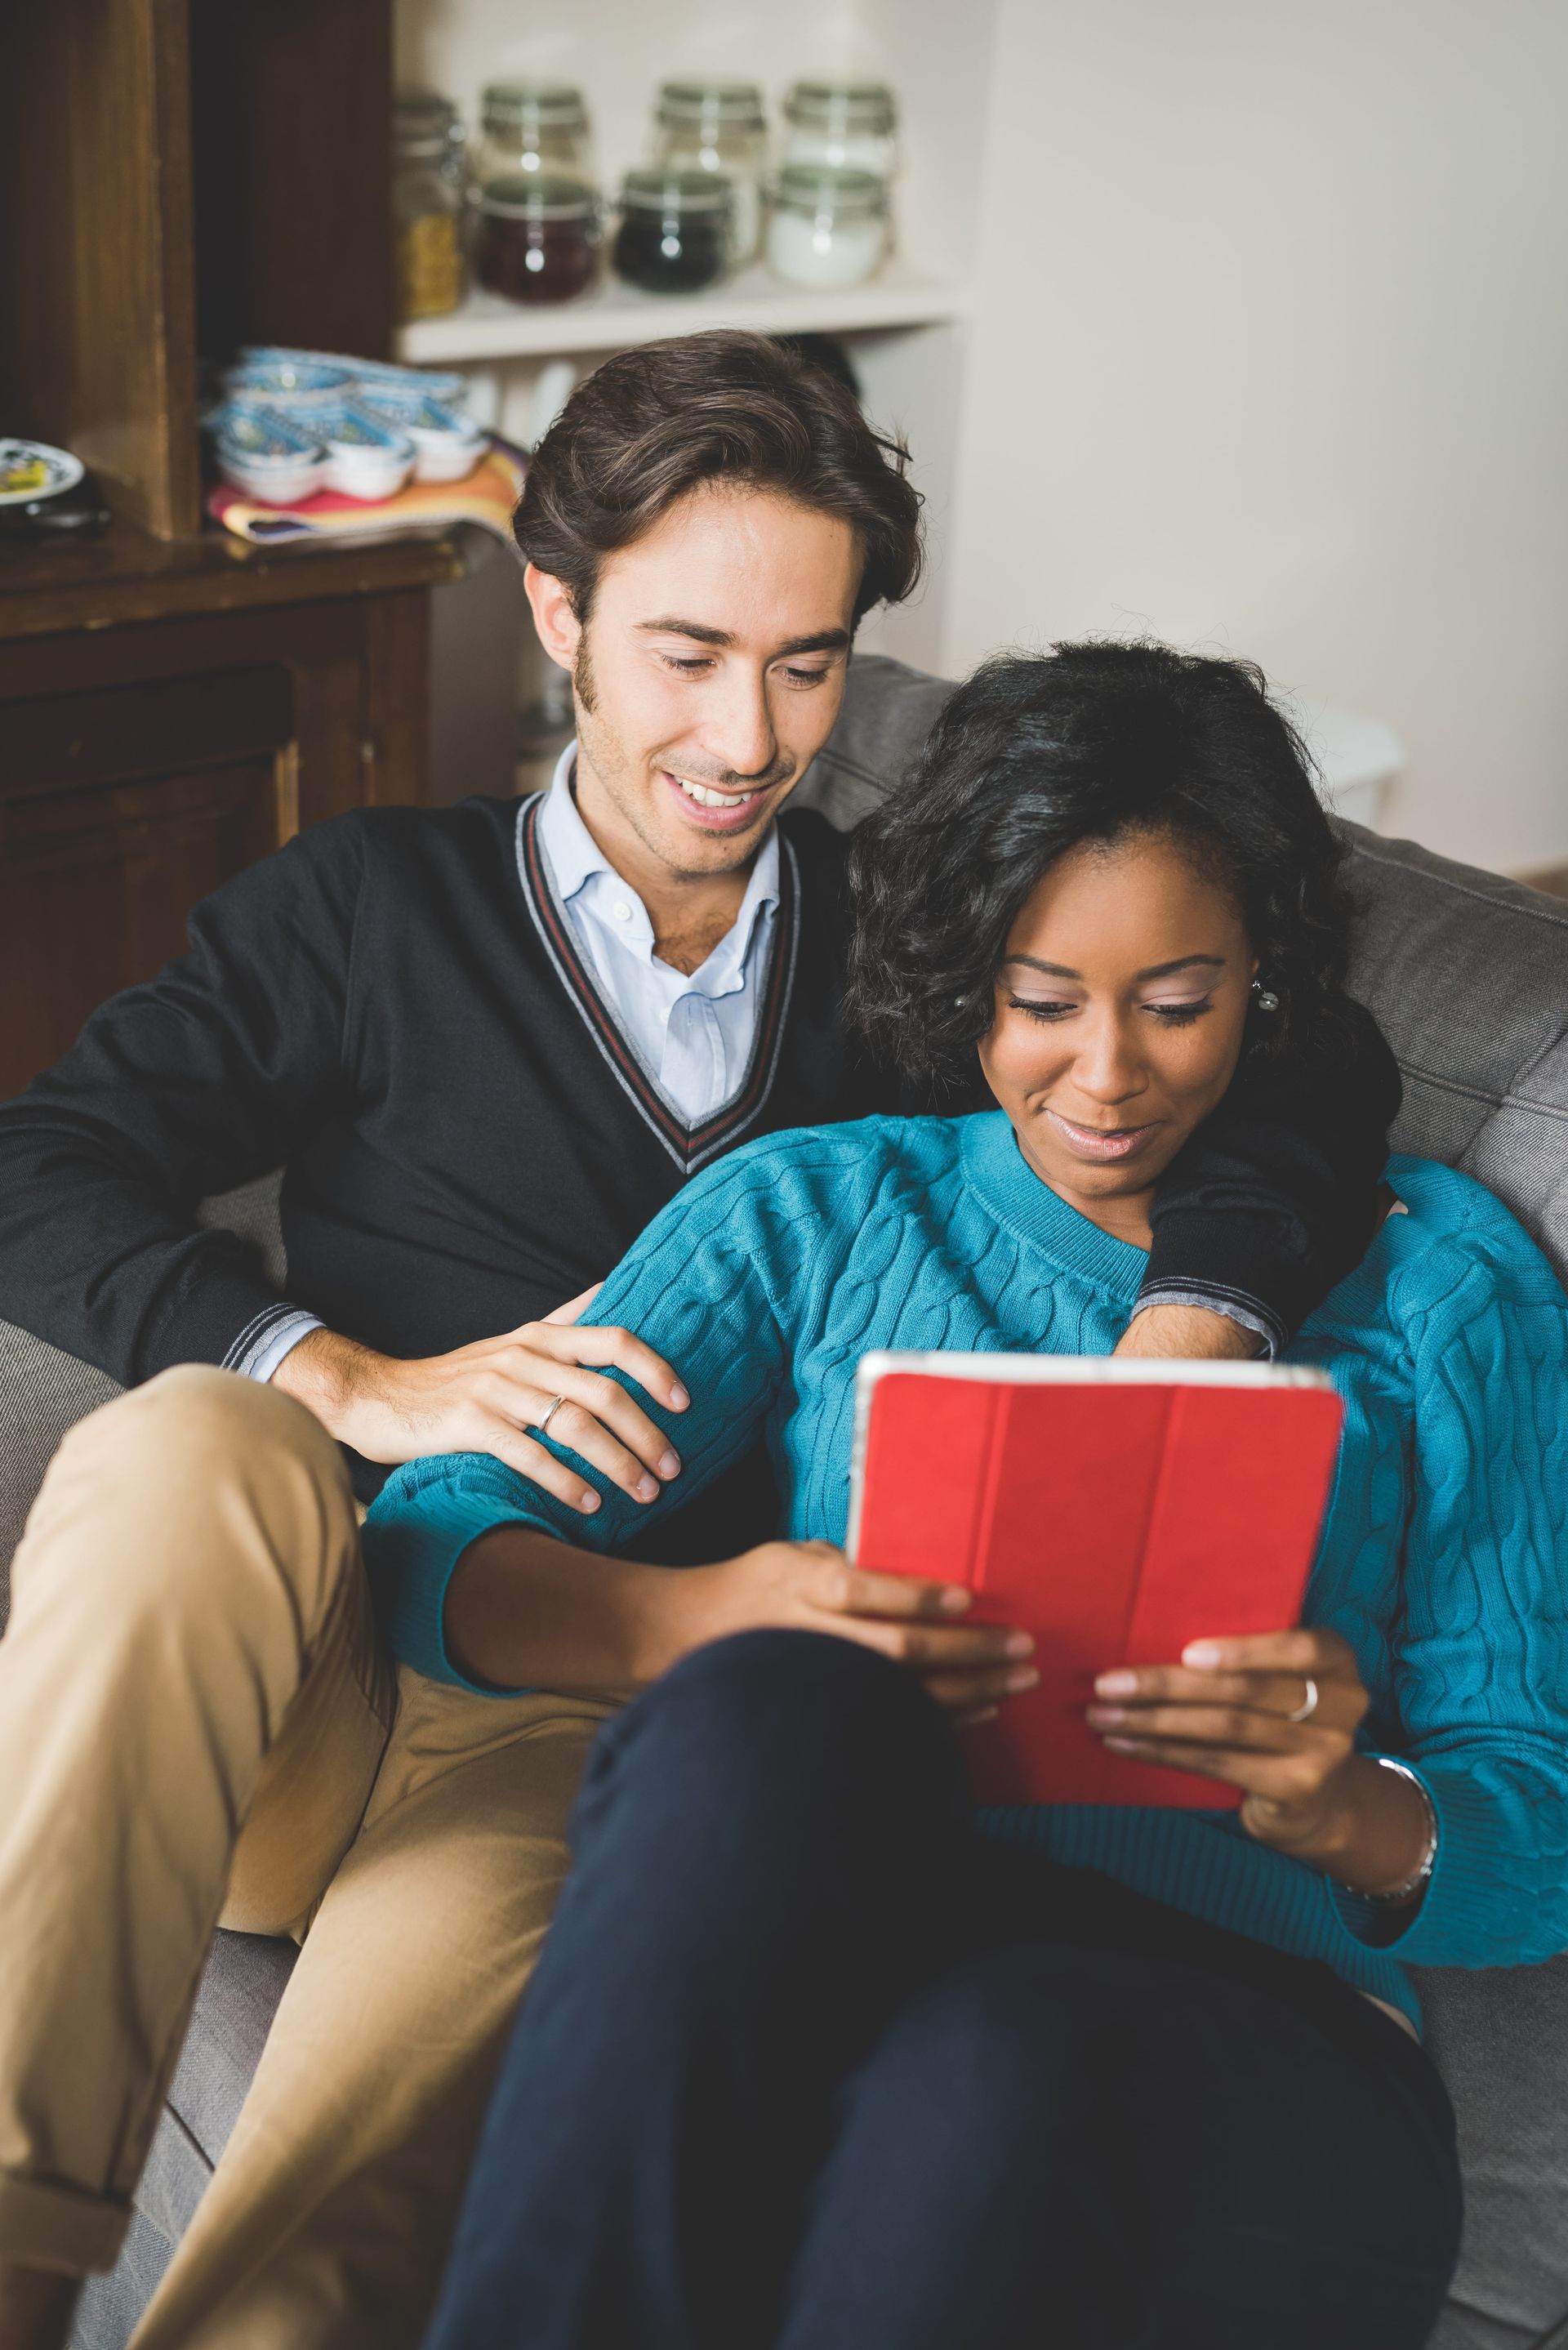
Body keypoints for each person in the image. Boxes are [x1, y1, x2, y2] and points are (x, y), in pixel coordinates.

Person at [0, 337, 1396, 2350]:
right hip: (291, 1651)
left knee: (319, 2289)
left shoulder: (900, 949)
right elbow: (38, 1160)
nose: (748, 734)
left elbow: (1308, 1052)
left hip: (581, 1718)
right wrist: (349, 1376)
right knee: (188, 1445)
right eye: (685, 650)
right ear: (556, 612)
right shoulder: (368, 907)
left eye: (809, 662)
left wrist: (1196, 1323)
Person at [383, 644, 1568, 2350]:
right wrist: (685, 1610)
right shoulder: (822, 1211)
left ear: (1268, 984)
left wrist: (1354, 1803)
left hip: (1261, 2036)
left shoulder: (1444, 1283)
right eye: (1041, 999)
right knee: (768, 1705)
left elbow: (1537, 1813)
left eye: (1178, 1002)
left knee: (990, 2074)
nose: (1109, 1076)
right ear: (965, 985)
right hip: (882, 1938)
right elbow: (429, 1529)